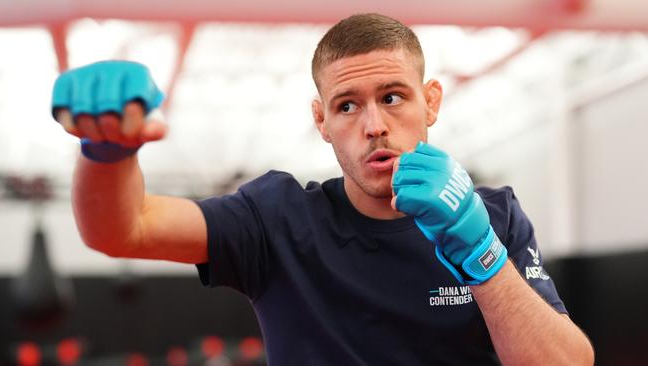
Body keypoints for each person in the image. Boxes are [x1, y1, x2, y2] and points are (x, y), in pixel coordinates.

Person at [51, 13, 594, 365]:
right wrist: (106, 153)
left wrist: (483, 257)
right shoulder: (277, 220)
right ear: (322, 120)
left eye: (394, 97)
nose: (375, 125)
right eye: (348, 105)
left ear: (431, 101)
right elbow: (125, 228)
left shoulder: (494, 216)